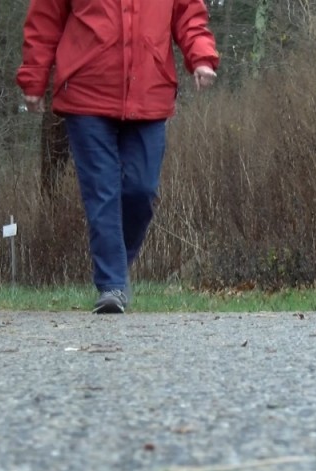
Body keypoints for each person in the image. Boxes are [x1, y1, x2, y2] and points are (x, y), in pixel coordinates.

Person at [17, 0, 219, 313]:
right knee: (102, 191)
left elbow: (189, 15)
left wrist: (202, 57)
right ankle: (111, 284)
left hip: (150, 93)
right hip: (85, 93)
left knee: (142, 189)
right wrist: (34, 77)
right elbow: (44, 20)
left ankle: (117, 265)